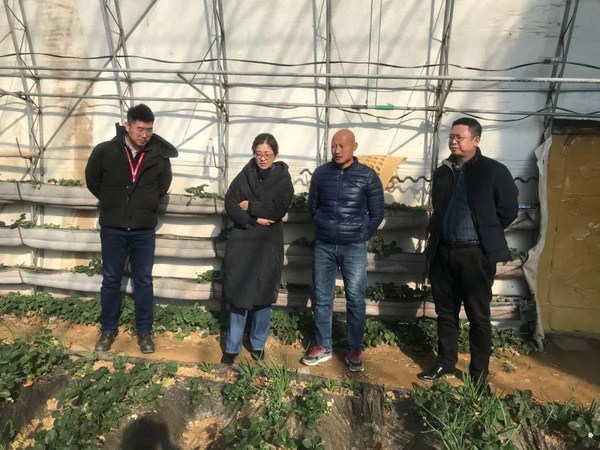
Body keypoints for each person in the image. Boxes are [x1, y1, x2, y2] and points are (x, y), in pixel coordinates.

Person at [418, 117, 518, 384]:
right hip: (443, 254)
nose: (453, 141)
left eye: (459, 137)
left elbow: (508, 210)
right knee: (445, 314)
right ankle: (445, 364)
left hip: (475, 255)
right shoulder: (443, 172)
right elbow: (438, 207)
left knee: (478, 318)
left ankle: (478, 376)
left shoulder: (493, 171)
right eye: (451, 136)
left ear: (476, 140)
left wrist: (485, 232)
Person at [85, 104, 178, 354]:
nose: (145, 135)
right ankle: (107, 330)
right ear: (127, 126)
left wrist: (144, 205)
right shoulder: (105, 151)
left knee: (143, 281)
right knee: (111, 280)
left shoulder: (158, 157)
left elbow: (162, 186)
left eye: (149, 129)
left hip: (142, 230)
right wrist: (112, 202)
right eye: (140, 129)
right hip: (113, 228)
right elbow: (92, 181)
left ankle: (145, 332)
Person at [302, 129, 385, 372]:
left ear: (354, 147)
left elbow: (377, 213)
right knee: (322, 297)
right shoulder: (321, 174)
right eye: (333, 146)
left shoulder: (368, 176)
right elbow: (313, 206)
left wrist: (360, 234)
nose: (337, 150)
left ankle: (353, 348)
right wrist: (323, 225)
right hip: (324, 245)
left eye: (342, 146)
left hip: (354, 247)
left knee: (356, 299)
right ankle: (323, 346)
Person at [220, 133, 294, 364]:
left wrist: (250, 205)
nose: (262, 158)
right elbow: (230, 203)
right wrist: (251, 219)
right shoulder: (245, 174)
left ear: (275, 155)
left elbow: (278, 209)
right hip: (243, 239)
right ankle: (232, 346)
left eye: (267, 154)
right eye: (259, 154)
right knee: (239, 292)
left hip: (268, 242)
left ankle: (258, 344)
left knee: (263, 294)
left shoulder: (283, 179)